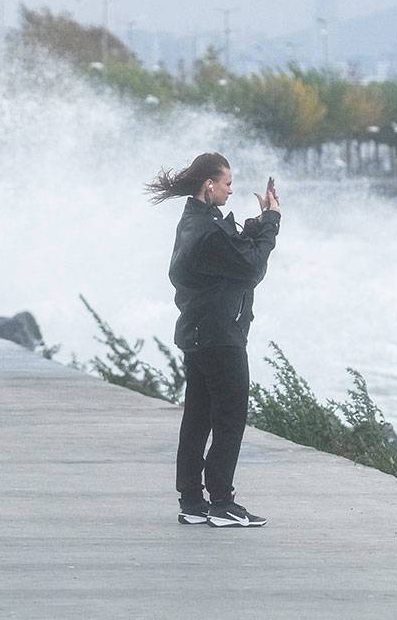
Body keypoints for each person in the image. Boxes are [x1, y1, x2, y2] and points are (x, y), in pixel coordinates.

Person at [145, 152, 282, 528]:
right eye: (227, 183)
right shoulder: (207, 230)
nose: (231, 189)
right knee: (229, 418)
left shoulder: (194, 222)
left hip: (197, 333)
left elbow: (234, 251)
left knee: (198, 418)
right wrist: (272, 221)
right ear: (209, 184)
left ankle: (192, 500)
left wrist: (258, 223)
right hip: (221, 336)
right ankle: (221, 502)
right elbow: (250, 266)